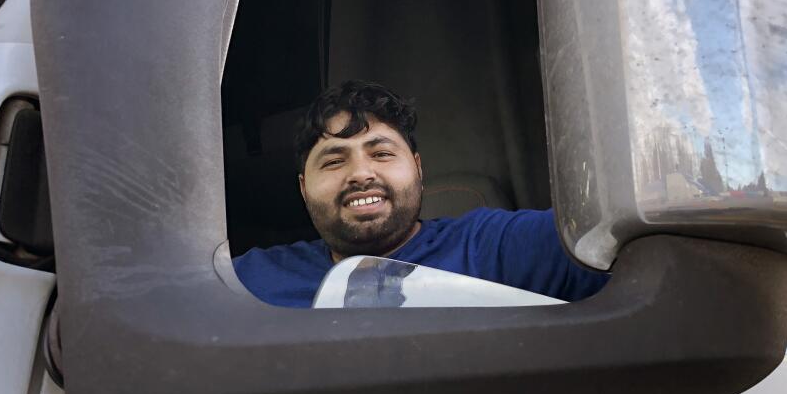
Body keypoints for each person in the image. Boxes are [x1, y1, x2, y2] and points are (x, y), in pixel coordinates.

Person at [232, 81, 609, 307]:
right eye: (333, 161)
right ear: (303, 187)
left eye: (381, 153)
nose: (361, 173)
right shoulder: (247, 281)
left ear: (418, 169)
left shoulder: (494, 248)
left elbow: (622, 249)